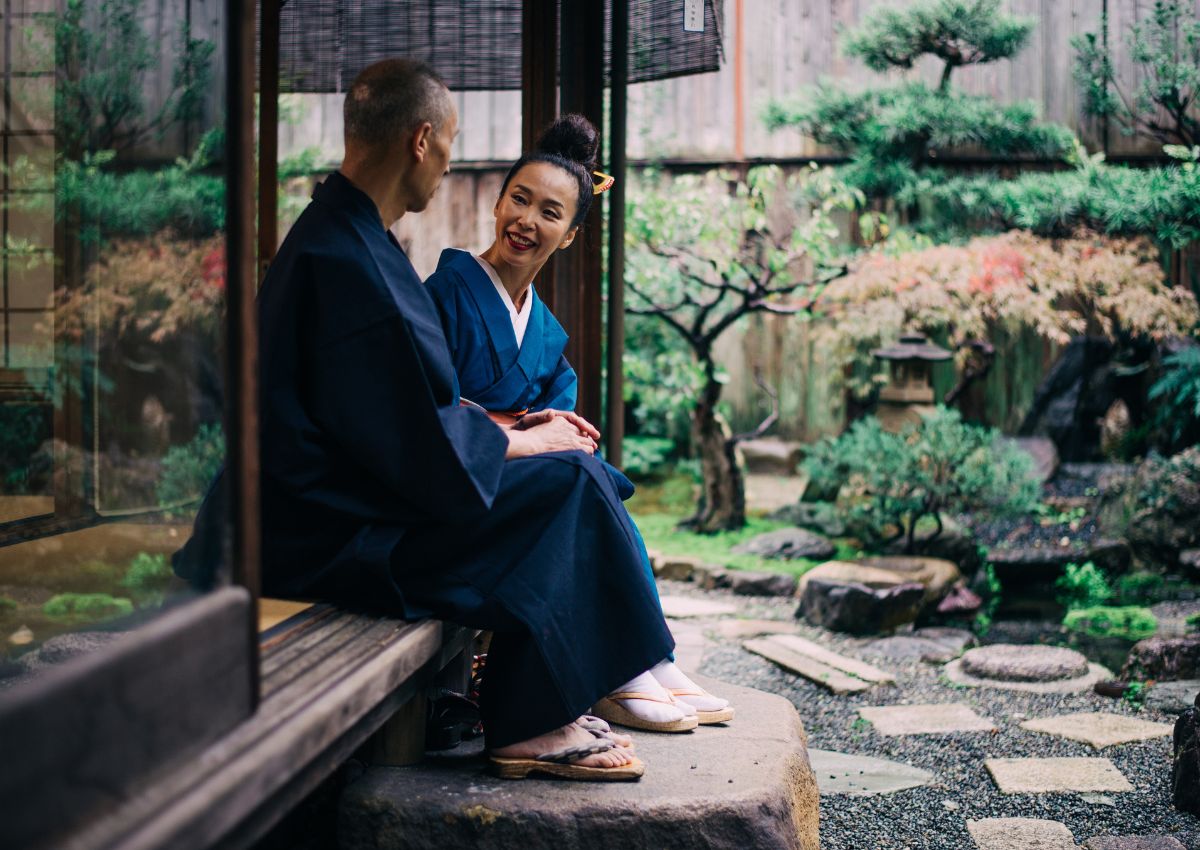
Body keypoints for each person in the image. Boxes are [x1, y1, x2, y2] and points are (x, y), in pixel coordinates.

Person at [174, 59, 677, 781]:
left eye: (551, 212)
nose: (447, 164)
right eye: (449, 143)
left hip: (343, 507)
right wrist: (519, 439)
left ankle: (607, 678)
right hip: (326, 536)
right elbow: (414, 440)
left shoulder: (347, 240)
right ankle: (540, 716)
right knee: (567, 485)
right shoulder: (349, 260)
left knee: (573, 475)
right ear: (421, 140)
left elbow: (402, 420)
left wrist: (516, 435)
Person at [424, 114, 733, 731]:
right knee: (584, 483)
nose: (526, 221)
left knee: (590, 473)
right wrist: (517, 430)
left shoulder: (543, 329)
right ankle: (625, 668)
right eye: (519, 200)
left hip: (511, 482)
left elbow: (556, 414)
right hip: (460, 490)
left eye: (550, 212)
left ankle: (652, 659)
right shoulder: (449, 289)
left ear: (568, 236)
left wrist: (550, 429)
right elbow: (426, 410)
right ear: (497, 201)